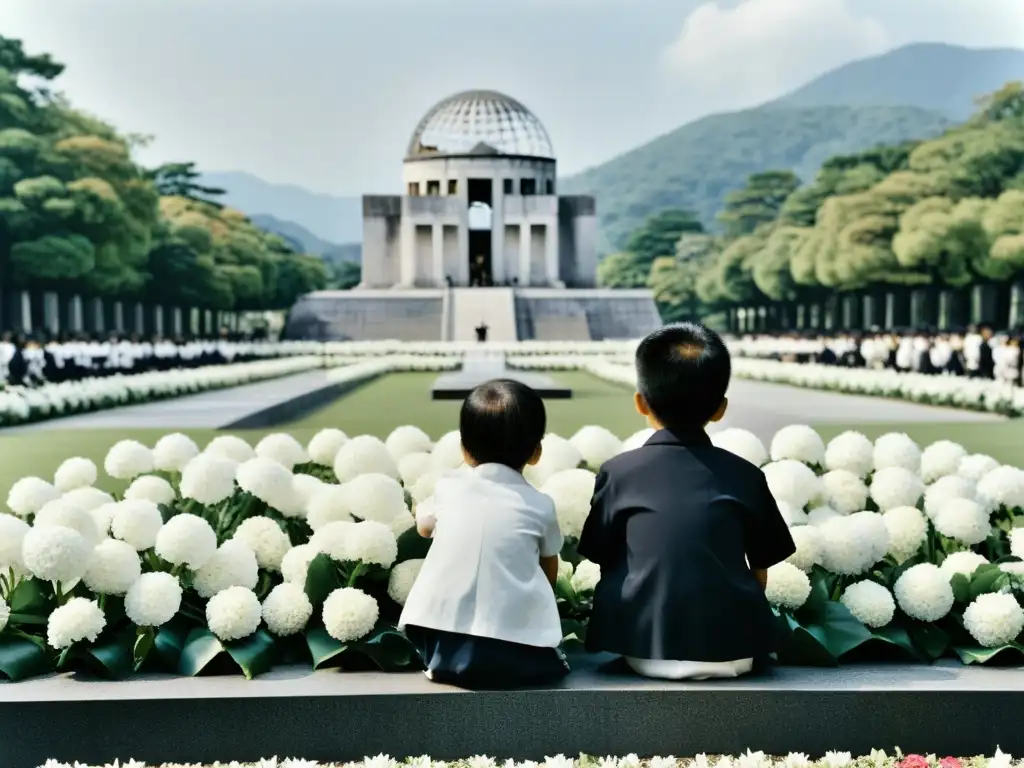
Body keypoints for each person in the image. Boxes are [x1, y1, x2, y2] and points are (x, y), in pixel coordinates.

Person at [578, 322, 795, 680]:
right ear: (720, 408)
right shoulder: (745, 474)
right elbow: (761, 567)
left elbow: (602, 555)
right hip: (736, 652)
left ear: (640, 402)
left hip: (643, 646)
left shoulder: (619, 473)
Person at [399, 379, 569, 689]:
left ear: (464, 449)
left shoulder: (448, 488)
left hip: (443, 645)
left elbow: (424, 527)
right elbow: (549, 565)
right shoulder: (541, 505)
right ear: (536, 452)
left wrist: (422, 509)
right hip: (518, 649)